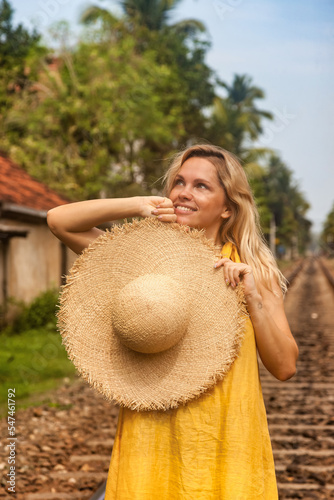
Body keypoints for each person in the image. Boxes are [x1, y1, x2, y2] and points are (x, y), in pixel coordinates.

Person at [47, 144, 298, 499]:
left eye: (201, 186)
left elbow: (285, 366)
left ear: (228, 207)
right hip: (151, 437)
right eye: (179, 182)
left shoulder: (252, 272)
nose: (183, 192)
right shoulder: (138, 263)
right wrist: (137, 204)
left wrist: (253, 299)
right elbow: (59, 220)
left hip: (226, 436)